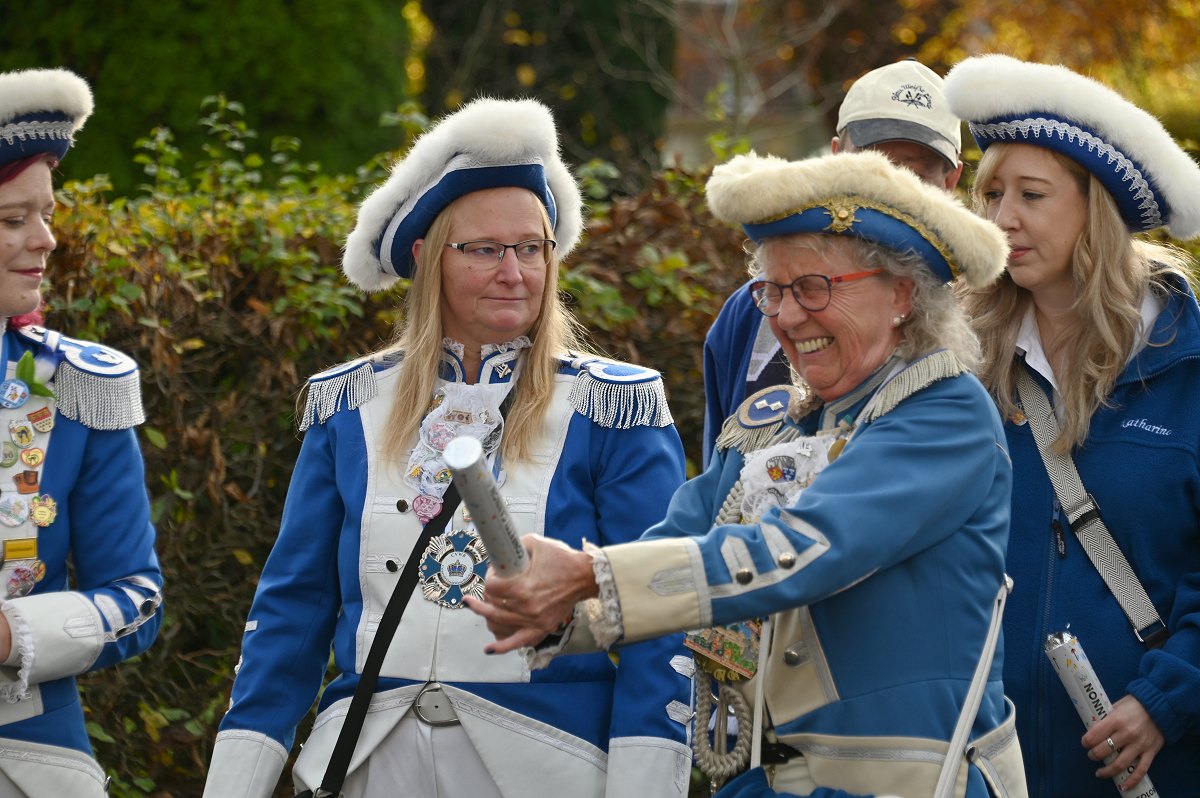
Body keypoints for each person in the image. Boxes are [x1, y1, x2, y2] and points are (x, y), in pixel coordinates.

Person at [471, 149, 1028, 798]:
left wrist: (588, 575)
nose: (786, 317)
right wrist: (558, 608)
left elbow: (804, 549)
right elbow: (679, 538)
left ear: (901, 294)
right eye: (774, 292)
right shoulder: (778, 424)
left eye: (813, 288)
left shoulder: (947, 412)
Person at [202, 98, 694, 798]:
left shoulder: (613, 409)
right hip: (367, 763)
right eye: (485, 249)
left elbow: (658, 613)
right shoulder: (348, 405)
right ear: (426, 258)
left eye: (531, 248)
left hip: (545, 768)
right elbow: (293, 612)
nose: (515, 272)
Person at [945, 54, 1200, 796]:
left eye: (1032, 195)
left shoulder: (1188, 367)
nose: (1002, 219)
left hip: (1151, 768)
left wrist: (1166, 699)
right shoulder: (958, 360)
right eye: (993, 194)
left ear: (1099, 208)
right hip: (985, 763)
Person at [0, 69, 163, 796]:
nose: (46, 239)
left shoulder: (76, 389)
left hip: (28, 758)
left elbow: (138, 600)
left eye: (47, 213)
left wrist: (12, 635)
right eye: (13, 219)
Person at [701, 59, 964, 465]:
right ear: (836, 155)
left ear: (951, 182)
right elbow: (716, 476)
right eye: (869, 170)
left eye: (911, 176)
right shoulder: (753, 311)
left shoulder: (985, 318)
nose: (887, 196)